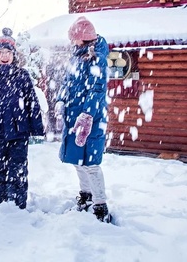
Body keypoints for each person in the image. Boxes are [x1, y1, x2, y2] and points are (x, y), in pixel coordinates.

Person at [0, 28, 44, 209]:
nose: (4, 56)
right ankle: (0, 202)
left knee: (18, 168)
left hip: (19, 131)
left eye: (8, 52)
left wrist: (36, 127)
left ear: (14, 54)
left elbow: (32, 103)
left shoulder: (22, 75)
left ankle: (18, 204)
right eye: (1, 52)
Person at [54, 16, 112, 223]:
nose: (72, 42)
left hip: (91, 119)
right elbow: (67, 83)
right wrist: (61, 100)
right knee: (78, 160)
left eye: (74, 38)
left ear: (83, 38)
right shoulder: (76, 57)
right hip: (74, 117)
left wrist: (87, 114)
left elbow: (98, 90)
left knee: (91, 163)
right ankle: (86, 195)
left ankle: (100, 205)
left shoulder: (97, 58)